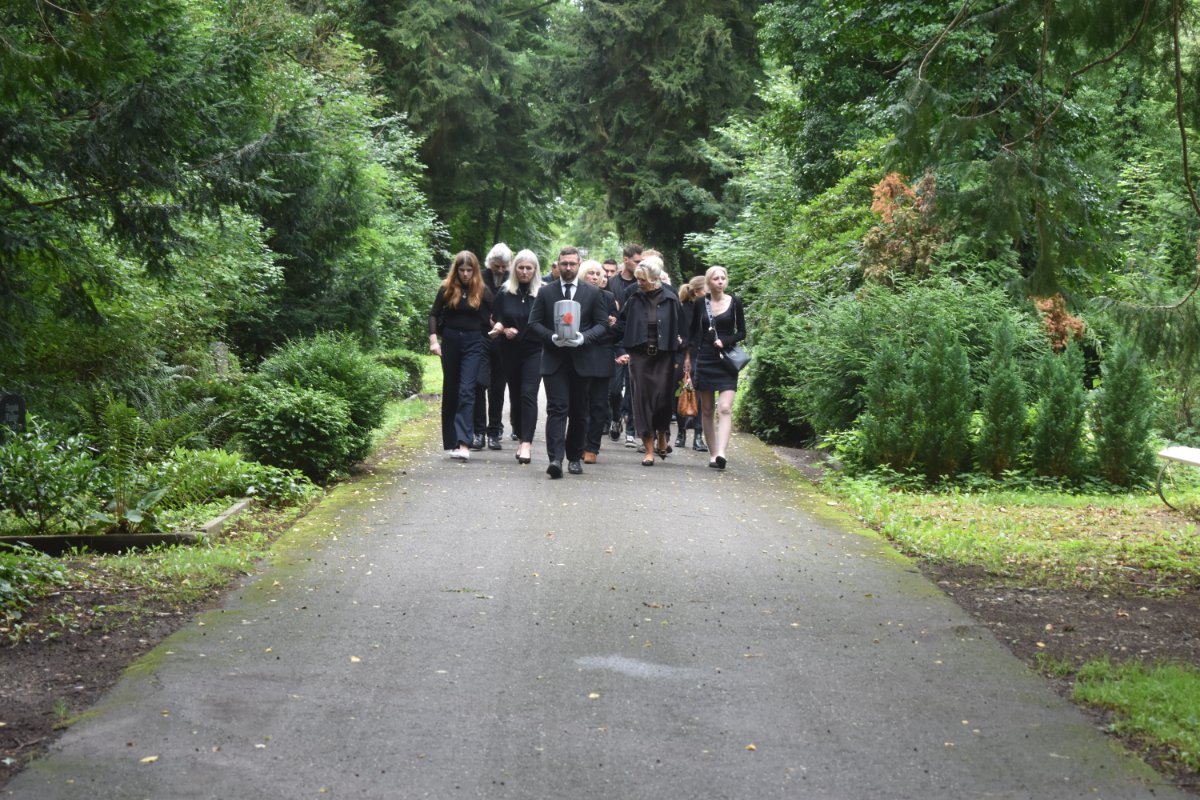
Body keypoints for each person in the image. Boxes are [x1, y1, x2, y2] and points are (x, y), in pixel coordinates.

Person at [528, 247, 611, 478]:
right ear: (558, 264)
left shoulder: (592, 293)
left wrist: (585, 337)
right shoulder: (546, 292)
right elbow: (533, 323)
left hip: (582, 360)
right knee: (557, 408)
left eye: (572, 264)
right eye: (564, 263)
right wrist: (551, 337)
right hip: (554, 359)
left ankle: (574, 457)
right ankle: (555, 459)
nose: (568, 268)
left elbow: (602, 324)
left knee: (579, 410)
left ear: (578, 264)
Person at [613, 255, 686, 466]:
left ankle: (662, 433)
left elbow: (682, 330)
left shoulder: (671, 297)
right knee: (642, 402)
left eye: (642, 279)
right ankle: (649, 449)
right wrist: (610, 339)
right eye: (637, 279)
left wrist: (680, 356)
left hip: (664, 356)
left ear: (654, 278)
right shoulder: (634, 297)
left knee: (663, 400)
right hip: (640, 357)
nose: (639, 283)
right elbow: (621, 325)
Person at [429, 251, 492, 461]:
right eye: (462, 270)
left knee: (467, 390)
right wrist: (433, 340)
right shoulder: (446, 288)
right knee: (452, 390)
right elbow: (433, 314)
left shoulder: (482, 290)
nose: (465, 274)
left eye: (469, 270)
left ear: (474, 271)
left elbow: (492, 315)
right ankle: (453, 442)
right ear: (456, 270)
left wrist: (499, 326)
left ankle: (465, 442)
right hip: (451, 342)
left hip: (473, 343)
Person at [686, 265, 746, 470]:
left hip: (726, 360)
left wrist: (726, 341)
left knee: (725, 407)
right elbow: (693, 333)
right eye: (716, 278)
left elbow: (742, 332)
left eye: (723, 278)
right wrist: (688, 358)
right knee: (707, 410)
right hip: (705, 359)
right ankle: (713, 454)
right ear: (708, 282)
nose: (720, 281)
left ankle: (722, 452)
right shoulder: (700, 303)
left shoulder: (735, 302)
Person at [489, 249, 543, 465]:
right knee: (516, 394)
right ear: (515, 269)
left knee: (529, 393)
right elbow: (494, 319)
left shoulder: (543, 292)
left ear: (535, 270)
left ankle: (526, 442)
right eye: (521, 267)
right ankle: (520, 434)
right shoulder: (505, 292)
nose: (524, 272)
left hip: (535, 350)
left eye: (529, 268)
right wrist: (503, 330)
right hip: (510, 350)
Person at [473, 243, 512, 451]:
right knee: (479, 383)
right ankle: (478, 431)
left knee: (498, 388)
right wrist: (489, 320)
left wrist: (502, 324)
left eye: (504, 266)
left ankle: (494, 431)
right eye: (497, 266)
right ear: (490, 263)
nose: (501, 270)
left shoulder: (512, 279)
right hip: (481, 337)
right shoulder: (479, 278)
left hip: (504, 341)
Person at [579, 260, 618, 464]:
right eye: (590, 273)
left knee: (599, 404)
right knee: (580, 403)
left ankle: (592, 446)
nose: (594, 277)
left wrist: (611, 325)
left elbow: (618, 329)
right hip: (580, 353)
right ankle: (579, 442)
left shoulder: (609, 297)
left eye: (597, 274)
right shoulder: (575, 296)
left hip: (602, 354)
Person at [613, 244, 643, 447]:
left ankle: (631, 428)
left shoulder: (642, 285)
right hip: (615, 341)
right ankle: (615, 417)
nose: (640, 265)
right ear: (626, 260)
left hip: (634, 344)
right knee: (614, 390)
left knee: (633, 389)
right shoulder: (612, 283)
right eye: (637, 261)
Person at [675, 275, 708, 453]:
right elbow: (684, 336)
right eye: (706, 289)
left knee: (700, 397)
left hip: (704, 356)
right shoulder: (683, 309)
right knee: (682, 393)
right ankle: (681, 432)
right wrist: (686, 357)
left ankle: (698, 435)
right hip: (686, 356)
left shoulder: (709, 308)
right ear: (696, 292)